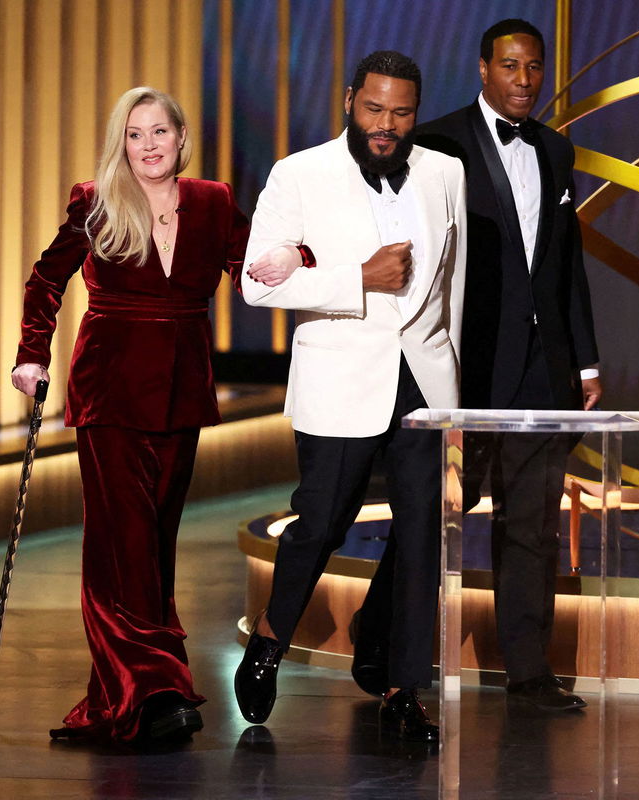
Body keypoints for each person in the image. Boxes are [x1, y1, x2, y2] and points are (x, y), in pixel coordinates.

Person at [234, 50, 466, 742]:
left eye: (400, 113)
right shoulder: (299, 174)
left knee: (423, 531)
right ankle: (272, 637)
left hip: (424, 381)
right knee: (323, 522)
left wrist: (453, 395)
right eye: (373, 109)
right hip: (340, 377)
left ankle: (402, 686)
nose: (386, 125)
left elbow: (453, 290)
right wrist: (356, 277)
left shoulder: (444, 172)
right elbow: (256, 283)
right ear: (348, 101)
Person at [11, 86, 251, 743]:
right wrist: (32, 354)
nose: (148, 146)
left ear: (181, 138)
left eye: (160, 132)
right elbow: (46, 279)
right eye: (135, 134)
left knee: (154, 545)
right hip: (110, 389)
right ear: (123, 143)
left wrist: (307, 261)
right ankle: (159, 689)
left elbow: (254, 269)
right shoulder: (95, 200)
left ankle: (123, 691)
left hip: (182, 391)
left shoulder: (213, 202)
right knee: (124, 544)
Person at [415, 18, 601, 711]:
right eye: (511, 67)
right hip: (465, 364)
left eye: (534, 68)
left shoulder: (556, 150)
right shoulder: (438, 141)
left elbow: (565, 266)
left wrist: (584, 361)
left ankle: (528, 671)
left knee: (532, 523)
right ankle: (400, 662)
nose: (524, 81)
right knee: (430, 520)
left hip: (542, 370)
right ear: (484, 69)